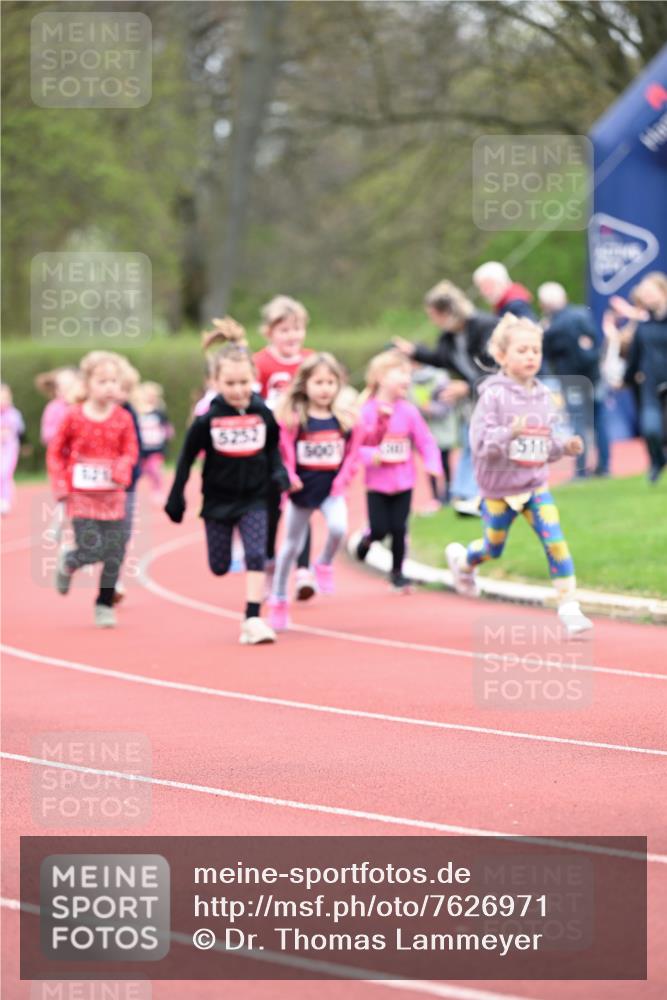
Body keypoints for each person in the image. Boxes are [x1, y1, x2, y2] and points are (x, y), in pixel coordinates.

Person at [445, 314, 593, 638]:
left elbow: (543, 444)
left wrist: (563, 447)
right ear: (501, 356)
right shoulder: (492, 396)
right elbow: (481, 447)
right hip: (498, 491)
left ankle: (569, 607)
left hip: (534, 486)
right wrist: (509, 432)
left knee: (555, 541)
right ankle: (464, 561)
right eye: (522, 350)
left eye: (535, 351)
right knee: (492, 548)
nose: (530, 357)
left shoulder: (544, 396)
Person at [164, 345, 290, 646]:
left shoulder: (263, 412)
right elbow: (187, 456)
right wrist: (176, 495)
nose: (238, 390)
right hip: (218, 499)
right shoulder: (208, 418)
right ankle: (250, 613)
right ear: (215, 383)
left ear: (254, 380)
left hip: (256, 496)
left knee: (256, 553)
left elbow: (273, 447)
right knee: (219, 566)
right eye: (230, 383)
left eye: (244, 382)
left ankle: (252, 618)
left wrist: (279, 472)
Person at [268, 352, 361, 630]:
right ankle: (279, 598)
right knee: (289, 548)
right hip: (302, 491)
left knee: (338, 528)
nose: (325, 389)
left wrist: (342, 481)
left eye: (331, 382)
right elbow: (283, 455)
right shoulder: (295, 420)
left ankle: (323, 564)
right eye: (318, 382)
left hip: (331, 490)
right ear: (305, 385)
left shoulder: (345, 420)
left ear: (339, 386)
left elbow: (352, 456)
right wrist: (290, 477)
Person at [47, 352, 139, 627]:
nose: (110, 386)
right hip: (82, 496)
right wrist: (61, 484)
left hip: (113, 496)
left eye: (114, 380)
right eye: (102, 381)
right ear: (87, 384)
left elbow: (131, 449)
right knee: (92, 549)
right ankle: (71, 560)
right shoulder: (72, 417)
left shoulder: (123, 418)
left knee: (116, 551)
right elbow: (55, 452)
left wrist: (124, 466)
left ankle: (103, 603)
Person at [394, 280, 497, 513]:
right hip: (477, 396)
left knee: (485, 444)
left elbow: (495, 365)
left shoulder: (484, 326)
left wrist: (467, 386)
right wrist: (413, 352)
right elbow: (440, 358)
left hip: (497, 394)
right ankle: (464, 495)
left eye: (434, 315)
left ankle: (471, 494)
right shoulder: (449, 337)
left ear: (447, 312)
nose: (432, 320)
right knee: (473, 442)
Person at [356, 350, 444, 592]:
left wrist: (432, 463)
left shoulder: (409, 411)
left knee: (399, 528)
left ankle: (398, 574)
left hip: (404, 481)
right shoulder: (366, 411)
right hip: (377, 484)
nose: (407, 378)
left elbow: (425, 440)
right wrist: (371, 455)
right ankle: (368, 539)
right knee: (380, 528)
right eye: (401, 373)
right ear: (381, 377)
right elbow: (355, 445)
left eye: (409, 373)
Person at [254, 295, 316, 599]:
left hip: (305, 445)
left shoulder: (311, 361)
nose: (292, 336)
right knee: (271, 511)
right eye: (284, 330)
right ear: (269, 332)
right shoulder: (260, 363)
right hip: (272, 449)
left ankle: (303, 570)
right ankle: (268, 564)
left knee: (304, 503)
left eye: (297, 329)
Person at [538, 281, 609, 478]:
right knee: (599, 421)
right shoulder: (582, 315)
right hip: (594, 376)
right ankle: (605, 466)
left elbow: (547, 353)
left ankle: (580, 469)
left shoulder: (552, 327)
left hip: (572, 380)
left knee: (579, 423)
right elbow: (595, 341)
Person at [621, 272, 667, 482]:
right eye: (644, 293)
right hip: (650, 386)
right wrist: (626, 379)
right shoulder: (642, 325)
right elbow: (634, 357)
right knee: (650, 430)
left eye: (651, 292)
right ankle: (658, 461)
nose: (647, 297)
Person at [408, 362, 457, 510]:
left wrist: (431, 409)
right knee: (430, 465)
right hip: (425, 433)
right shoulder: (409, 381)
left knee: (444, 462)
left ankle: (448, 494)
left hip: (443, 430)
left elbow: (447, 405)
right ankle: (435, 497)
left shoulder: (440, 377)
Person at [136, 381, 174, 504]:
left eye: (154, 396)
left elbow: (166, 426)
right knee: (139, 472)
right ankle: (133, 493)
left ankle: (157, 490)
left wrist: (168, 433)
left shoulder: (159, 412)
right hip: (142, 448)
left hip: (156, 447)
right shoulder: (137, 412)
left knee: (154, 469)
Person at [472, 261, 537, 320]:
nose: (482, 292)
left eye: (485, 287)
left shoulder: (515, 304)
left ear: (499, 282)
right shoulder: (505, 304)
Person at [36, 366, 82, 446]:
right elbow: (46, 435)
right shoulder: (54, 408)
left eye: (71, 385)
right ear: (57, 390)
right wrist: (65, 431)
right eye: (65, 387)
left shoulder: (85, 405)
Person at [0, 384, 26, 515]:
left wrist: (25, 445)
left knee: (4, 472)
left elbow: (21, 432)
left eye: (5, 397)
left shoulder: (14, 414)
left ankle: (5, 500)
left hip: (10, 448)